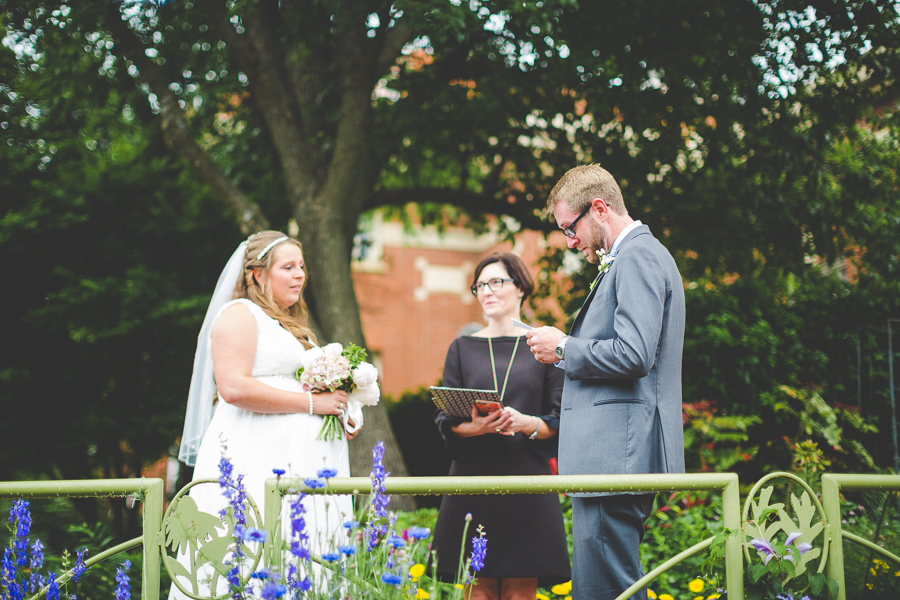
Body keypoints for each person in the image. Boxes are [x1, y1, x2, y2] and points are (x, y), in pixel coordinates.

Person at [526, 165, 686, 600]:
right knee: (607, 587)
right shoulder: (631, 257)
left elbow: (635, 354)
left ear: (599, 209)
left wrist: (563, 348)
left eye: (569, 228)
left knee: (606, 589)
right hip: (612, 456)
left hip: (615, 457)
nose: (569, 241)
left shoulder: (638, 256)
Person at [170, 231, 359, 599]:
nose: (300, 275)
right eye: (288, 267)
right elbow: (234, 388)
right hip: (253, 457)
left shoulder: (290, 325)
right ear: (257, 274)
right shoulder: (239, 314)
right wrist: (312, 405)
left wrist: (338, 411)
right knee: (249, 552)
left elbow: (305, 389)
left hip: (301, 466)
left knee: (299, 554)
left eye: (301, 266)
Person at [432, 253, 571, 600]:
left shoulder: (546, 345)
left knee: (520, 594)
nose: (486, 291)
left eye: (496, 282)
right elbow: (446, 423)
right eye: (480, 285)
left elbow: (560, 421)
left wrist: (526, 423)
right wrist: (477, 426)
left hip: (526, 483)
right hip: (472, 481)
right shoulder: (462, 347)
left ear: (520, 287)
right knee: (476, 594)